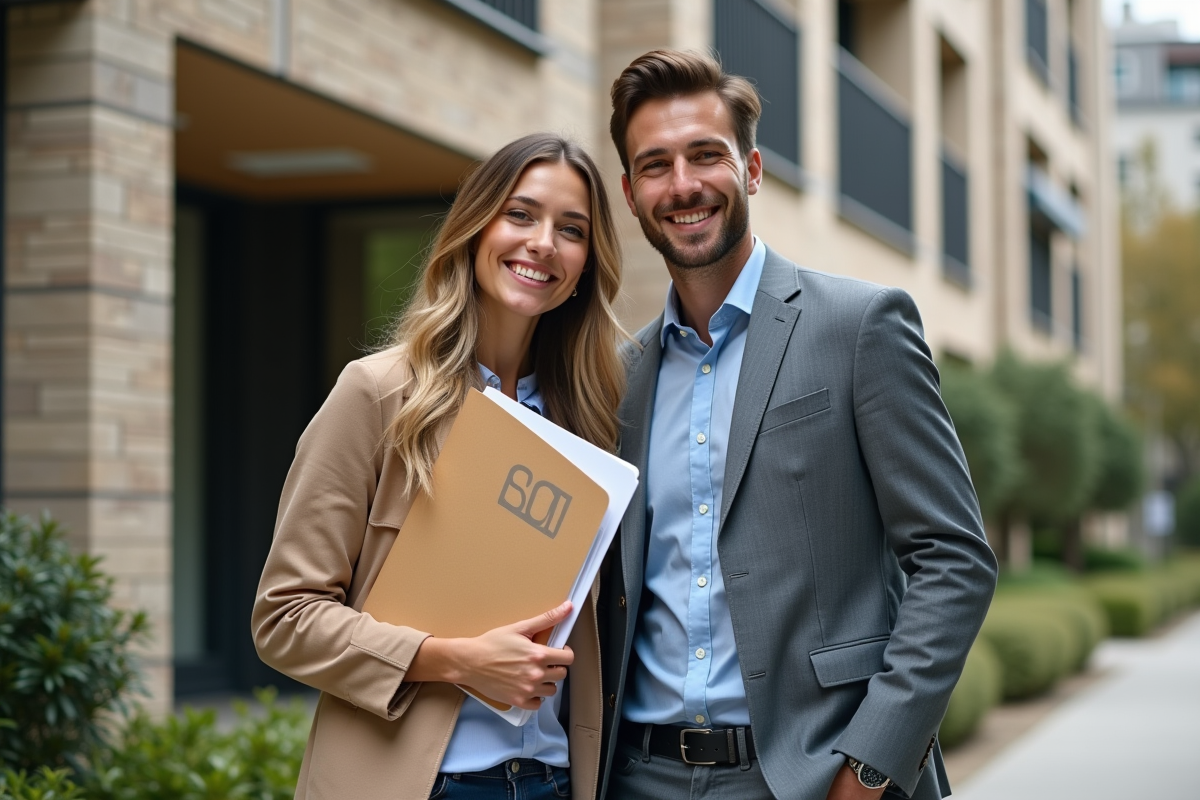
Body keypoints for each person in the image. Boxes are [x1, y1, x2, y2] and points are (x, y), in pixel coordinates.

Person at [597, 50, 998, 800]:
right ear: (629, 192)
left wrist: (871, 765)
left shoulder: (860, 327)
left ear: (751, 169)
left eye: (704, 155)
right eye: (655, 166)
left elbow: (954, 560)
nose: (682, 185)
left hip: (811, 777)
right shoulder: (623, 378)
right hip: (638, 776)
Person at [252, 133, 627, 800]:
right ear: (474, 230)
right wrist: (452, 660)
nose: (543, 242)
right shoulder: (377, 395)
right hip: (415, 784)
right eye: (520, 214)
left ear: (584, 269)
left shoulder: (593, 427)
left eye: (572, 230)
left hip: (554, 782)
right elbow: (284, 619)